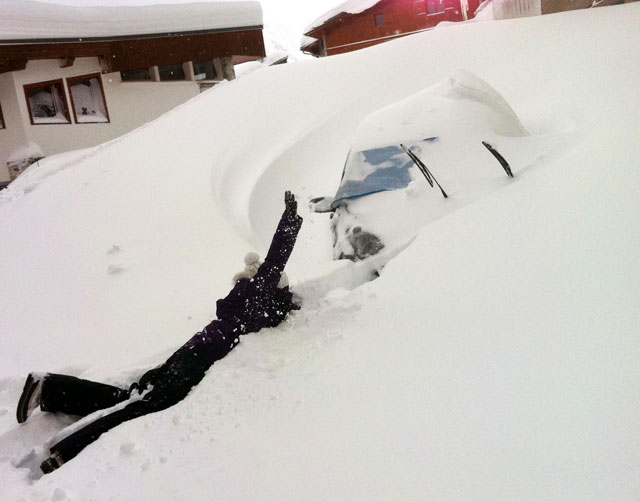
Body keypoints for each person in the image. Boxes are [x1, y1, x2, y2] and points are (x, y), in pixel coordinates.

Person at [16, 191, 303, 474]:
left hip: (189, 352)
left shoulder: (242, 301)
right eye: (282, 290)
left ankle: (49, 389)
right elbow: (275, 262)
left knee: (131, 396)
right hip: (197, 361)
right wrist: (289, 222)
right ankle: (64, 453)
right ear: (272, 289)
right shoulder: (258, 299)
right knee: (140, 408)